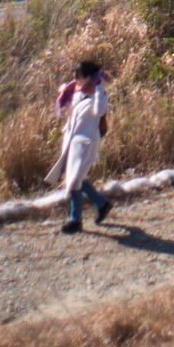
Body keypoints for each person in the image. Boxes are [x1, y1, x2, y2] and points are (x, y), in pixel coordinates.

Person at [46, 59, 113, 233]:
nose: (75, 79)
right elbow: (72, 107)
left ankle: (75, 220)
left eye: (79, 76)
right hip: (72, 143)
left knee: (74, 180)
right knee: (75, 178)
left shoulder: (99, 95)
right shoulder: (79, 92)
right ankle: (101, 204)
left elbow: (99, 111)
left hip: (86, 146)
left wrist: (98, 86)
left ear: (90, 78)